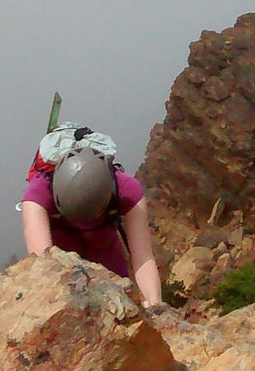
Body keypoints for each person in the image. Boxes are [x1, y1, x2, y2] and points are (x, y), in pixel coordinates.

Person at [19, 123, 165, 308]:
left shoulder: (126, 190)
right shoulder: (37, 195)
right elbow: (43, 266)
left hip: (110, 270)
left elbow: (143, 257)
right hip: (64, 274)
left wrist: (154, 304)